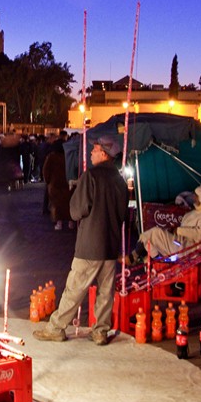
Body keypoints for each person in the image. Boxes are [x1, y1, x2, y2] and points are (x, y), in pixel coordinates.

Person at [33, 138, 129, 345]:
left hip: (90, 245)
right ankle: (101, 331)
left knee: (75, 288)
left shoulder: (91, 176)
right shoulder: (120, 180)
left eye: (95, 149)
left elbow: (76, 211)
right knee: (105, 292)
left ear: (104, 154)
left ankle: (56, 327)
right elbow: (123, 214)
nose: (91, 153)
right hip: (110, 245)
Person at [133, 178, 201, 261]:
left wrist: (179, 231)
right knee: (152, 238)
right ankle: (156, 259)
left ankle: (134, 257)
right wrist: (175, 231)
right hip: (182, 244)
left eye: (196, 196)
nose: (194, 197)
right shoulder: (196, 212)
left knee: (155, 234)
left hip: (191, 250)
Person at [42, 138, 71, 230]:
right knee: (68, 202)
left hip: (55, 183)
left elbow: (46, 170)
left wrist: (47, 181)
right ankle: (71, 222)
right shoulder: (68, 155)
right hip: (67, 182)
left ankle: (59, 223)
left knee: (56, 204)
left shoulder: (51, 157)